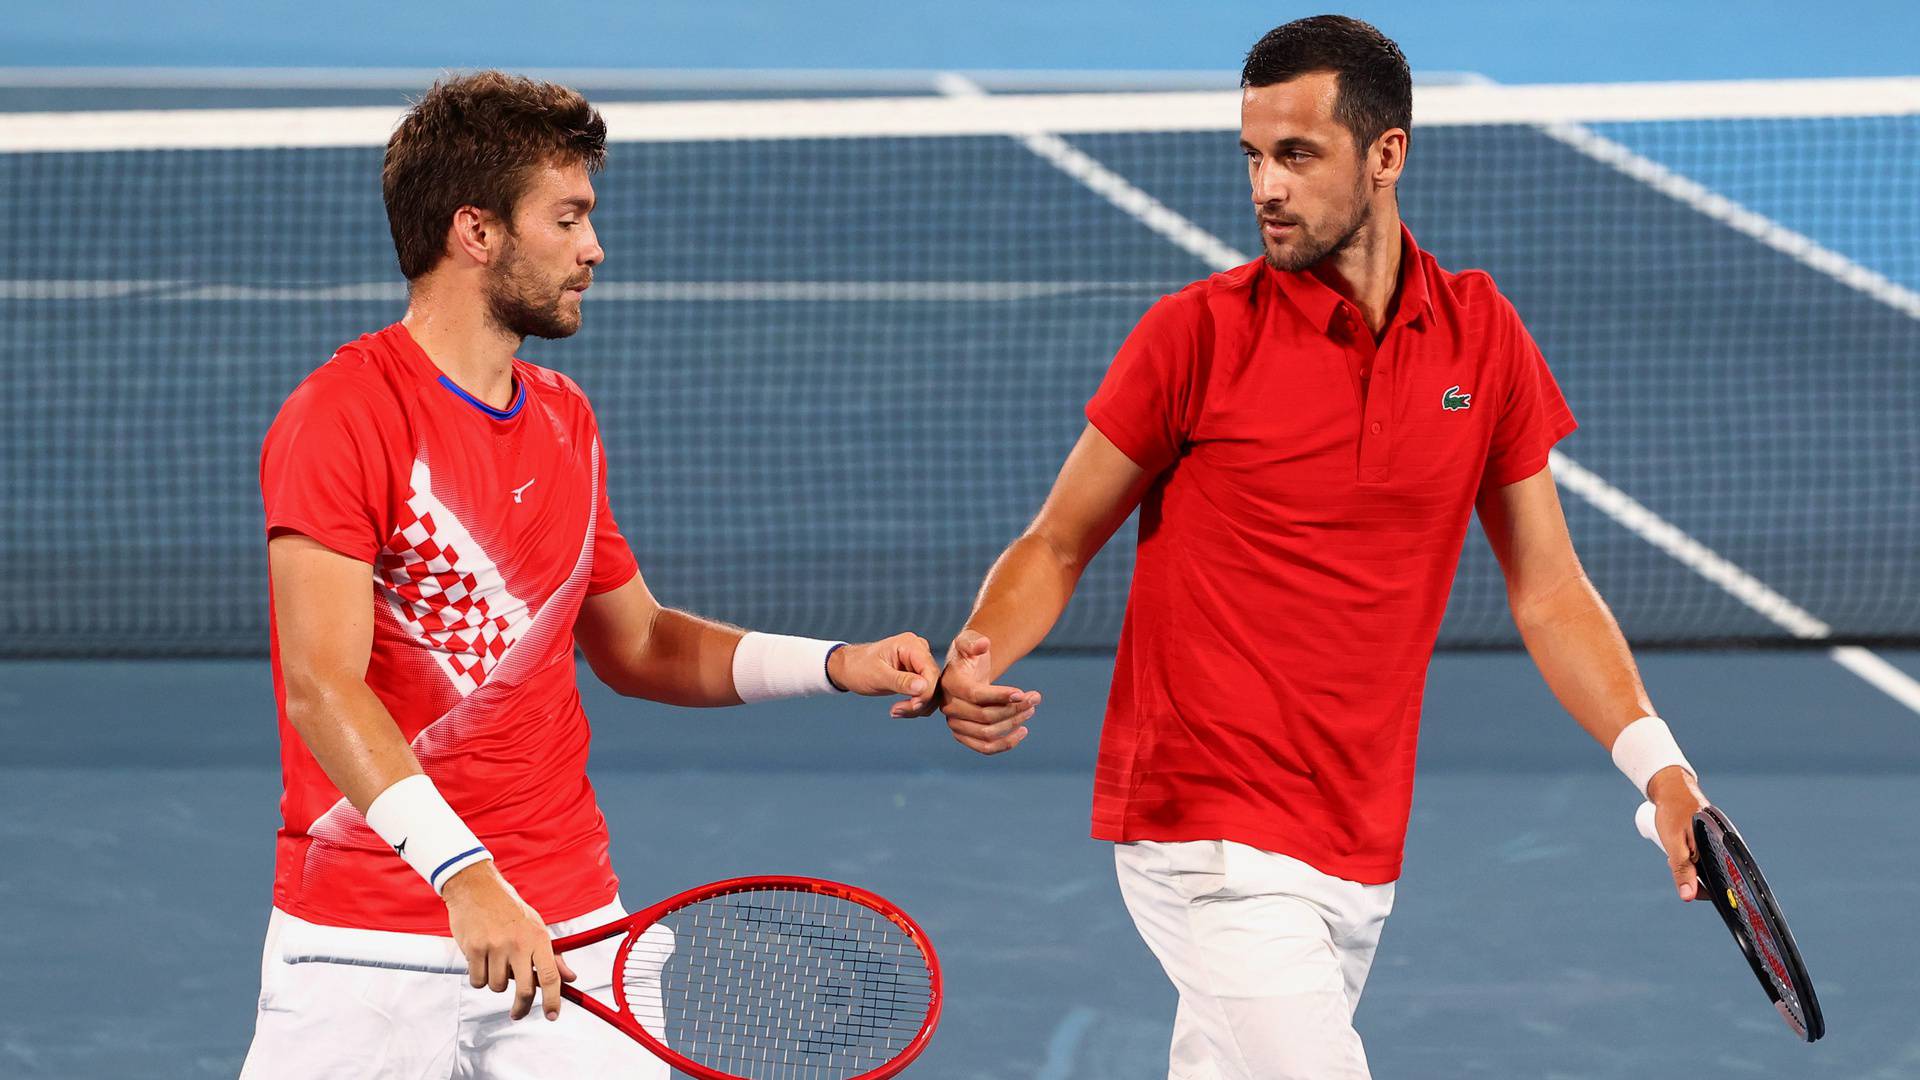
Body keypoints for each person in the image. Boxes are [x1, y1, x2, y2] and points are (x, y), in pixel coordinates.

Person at [906, 16, 1712, 1079]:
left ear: (1388, 154)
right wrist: (978, 647)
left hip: (1359, 840)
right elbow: (1056, 542)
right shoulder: (1193, 336)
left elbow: (1552, 591)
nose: (1265, 188)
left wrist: (1660, 767)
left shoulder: (1484, 337)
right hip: (1208, 830)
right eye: (1252, 156)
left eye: (1296, 155)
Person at [240, 71, 939, 1079]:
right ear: (475, 232)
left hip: (569, 928)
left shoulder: (566, 418)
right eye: (566, 220)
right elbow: (321, 685)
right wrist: (465, 876)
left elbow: (640, 642)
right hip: (370, 937)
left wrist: (835, 663)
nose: (593, 249)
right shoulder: (344, 414)